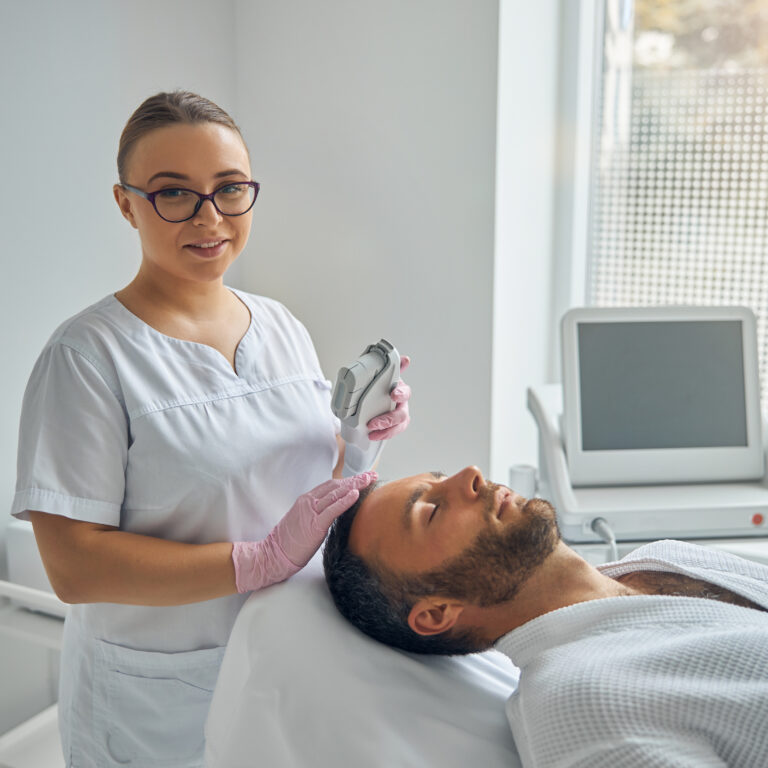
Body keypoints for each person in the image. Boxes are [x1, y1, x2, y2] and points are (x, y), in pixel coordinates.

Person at [11, 90, 411, 768]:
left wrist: (361, 437)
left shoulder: (280, 325)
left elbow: (292, 483)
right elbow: (72, 566)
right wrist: (256, 562)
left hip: (285, 665)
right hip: (154, 703)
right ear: (126, 202)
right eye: (174, 193)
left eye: (229, 190)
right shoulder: (87, 356)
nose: (209, 217)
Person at [323, 466, 768, 768]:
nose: (470, 476)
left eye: (442, 475)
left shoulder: (667, 557)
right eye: (432, 509)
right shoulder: (582, 705)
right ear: (438, 612)